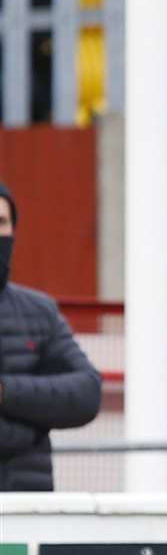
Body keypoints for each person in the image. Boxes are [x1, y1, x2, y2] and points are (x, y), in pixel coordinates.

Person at [0, 180, 102, 491]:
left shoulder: (39, 312)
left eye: (2, 223)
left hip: (27, 514)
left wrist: (5, 392)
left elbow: (86, 392)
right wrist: (30, 422)